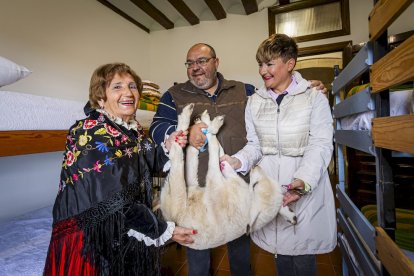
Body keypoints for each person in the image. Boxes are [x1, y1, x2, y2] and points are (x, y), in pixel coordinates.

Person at [150, 43, 327, 276]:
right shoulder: (173, 95)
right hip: (195, 193)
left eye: (202, 61)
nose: (195, 68)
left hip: (238, 187)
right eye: (190, 63)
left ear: (216, 62)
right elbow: (157, 127)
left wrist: (306, 88)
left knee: (240, 254)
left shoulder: (245, 90)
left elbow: (276, 96)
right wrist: (183, 131)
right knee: (198, 257)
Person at [44, 63, 195, 276]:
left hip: (125, 232)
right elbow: (116, 201)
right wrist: (164, 230)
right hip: (93, 241)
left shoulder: (132, 131)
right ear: (100, 97)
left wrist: (169, 145)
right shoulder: (88, 132)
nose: (128, 93)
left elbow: (146, 165)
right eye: (117, 87)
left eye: (133, 86)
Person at [248, 34, 337, 276]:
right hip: (271, 187)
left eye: (269, 63)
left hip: (302, 186)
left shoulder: (313, 97)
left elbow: (320, 143)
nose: (262, 70)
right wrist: (238, 162)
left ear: (290, 64)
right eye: (260, 64)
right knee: (279, 251)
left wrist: (301, 183)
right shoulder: (255, 101)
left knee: (301, 255)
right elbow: (254, 144)